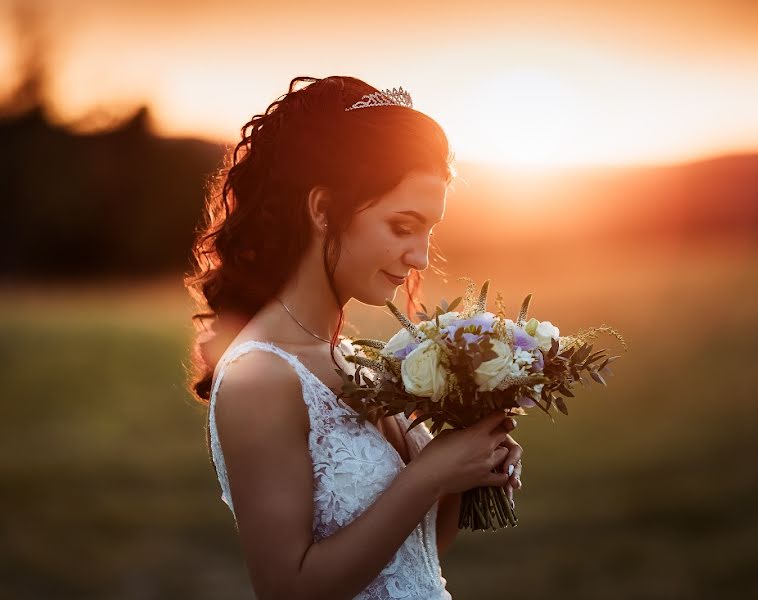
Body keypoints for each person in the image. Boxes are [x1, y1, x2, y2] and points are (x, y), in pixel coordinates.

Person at [183, 75, 524, 599]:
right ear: (322, 210)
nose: (420, 257)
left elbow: (418, 554)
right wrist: (429, 475)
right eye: (402, 226)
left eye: (429, 230)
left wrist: (470, 466)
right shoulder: (261, 376)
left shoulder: (351, 361)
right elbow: (287, 589)